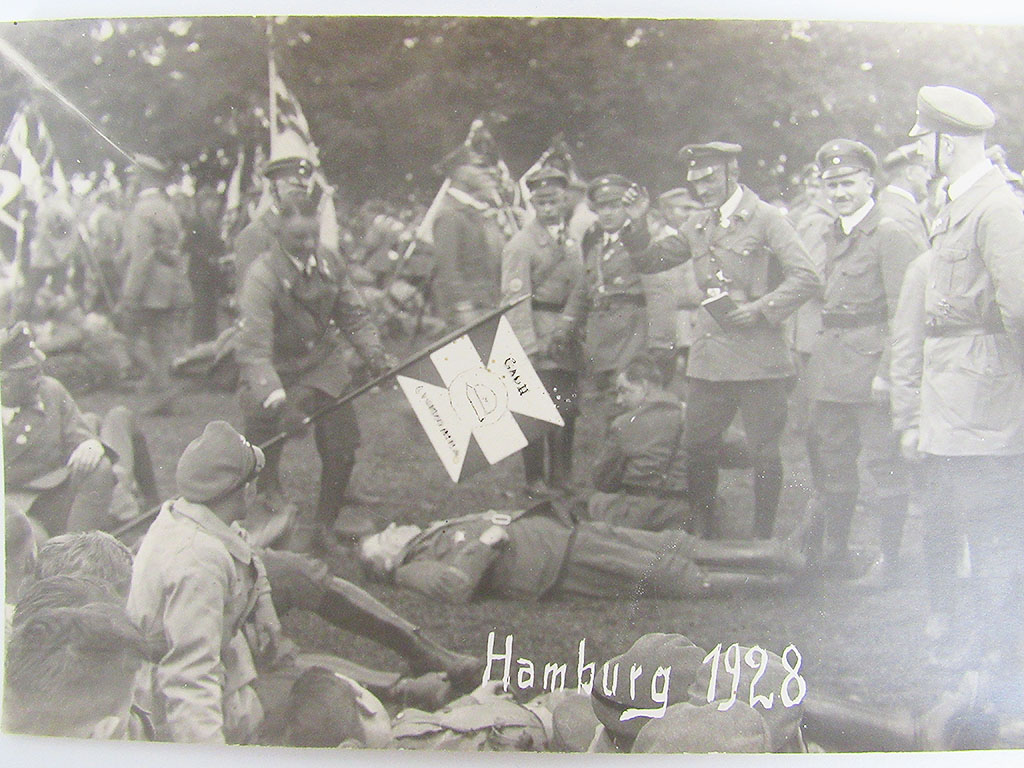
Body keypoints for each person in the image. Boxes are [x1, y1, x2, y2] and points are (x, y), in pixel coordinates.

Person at [127, 421, 479, 745]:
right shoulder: (197, 565)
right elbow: (188, 680)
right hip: (185, 702)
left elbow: (244, 548)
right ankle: (401, 691)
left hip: (221, 660)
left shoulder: (197, 515)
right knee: (330, 702)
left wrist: (263, 602)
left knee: (295, 642)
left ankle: (415, 668)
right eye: (253, 481)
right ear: (243, 490)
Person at [892, 86, 1024, 706]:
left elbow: (1019, 309)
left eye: (925, 138)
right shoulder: (957, 202)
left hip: (984, 396)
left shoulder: (996, 207)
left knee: (992, 529)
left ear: (951, 140)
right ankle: (977, 639)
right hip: (953, 393)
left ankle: (996, 652)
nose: (919, 149)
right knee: (952, 519)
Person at [626, 142, 821, 539]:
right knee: (698, 446)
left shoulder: (767, 218)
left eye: (709, 179)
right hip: (709, 357)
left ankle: (762, 536)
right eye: (695, 182)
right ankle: (704, 531)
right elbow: (651, 261)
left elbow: (807, 276)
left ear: (733, 172)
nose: (702, 189)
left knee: (764, 450)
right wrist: (636, 224)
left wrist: (761, 309)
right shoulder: (698, 222)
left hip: (759, 357)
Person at [235, 190, 391, 545]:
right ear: (278, 234)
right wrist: (280, 402)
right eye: (298, 237)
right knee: (262, 452)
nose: (308, 245)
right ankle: (268, 506)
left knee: (342, 445)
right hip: (274, 369)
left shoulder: (329, 262)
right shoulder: (262, 276)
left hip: (322, 364)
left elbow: (352, 314)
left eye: (313, 236)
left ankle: (325, 524)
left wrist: (374, 354)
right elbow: (254, 349)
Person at [801, 139, 919, 577]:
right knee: (833, 461)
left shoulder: (889, 233)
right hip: (832, 367)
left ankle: (890, 561)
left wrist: (888, 373)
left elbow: (905, 312)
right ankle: (836, 553)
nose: (839, 192)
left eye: (848, 183)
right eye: (831, 185)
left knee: (884, 463)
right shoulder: (834, 233)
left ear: (870, 181)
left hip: (871, 369)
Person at [358, 500, 805, 604]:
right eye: (384, 537)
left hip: (565, 533)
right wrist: (484, 544)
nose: (393, 527)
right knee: (668, 572)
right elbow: (454, 587)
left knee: (674, 544)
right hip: (555, 563)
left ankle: (778, 555)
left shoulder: (428, 534)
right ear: (387, 562)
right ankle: (776, 584)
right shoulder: (410, 569)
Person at [586, 355, 749, 532]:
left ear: (644, 386)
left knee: (597, 501)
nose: (619, 400)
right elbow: (744, 453)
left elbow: (603, 481)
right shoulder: (696, 418)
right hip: (686, 514)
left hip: (638, 516)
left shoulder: (623, 424)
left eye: (624, 391)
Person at [501, 166, 586, 497]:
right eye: (542, 201)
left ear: (565, 200)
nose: (549, 207)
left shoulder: (572, 240)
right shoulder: (521, 244)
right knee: (536, 409)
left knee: (567, 407)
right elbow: (514, 300)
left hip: (567, 333)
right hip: (539, 332)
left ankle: (562, 475)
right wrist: (526, 346)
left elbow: (580, 286)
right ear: (533, 203)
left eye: (555, 200)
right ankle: (535, 479)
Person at [2, 322, 117, 536]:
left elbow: (79, 434)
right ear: (3, 382)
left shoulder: (51, 390)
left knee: (99, 467)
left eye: (39, 372)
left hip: (55, 491)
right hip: (11, 503)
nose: (40, 381)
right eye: (32, 376)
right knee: (31, 538)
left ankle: (76, 548)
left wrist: (89, 444)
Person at [115, 154, 191, 406]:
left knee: (129, 334)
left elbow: (142, 256)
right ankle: (160, 383)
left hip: (149, 285)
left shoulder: (144, 209)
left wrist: (130, 293)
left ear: (144, 177)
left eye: (135, 176)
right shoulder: (167, 206)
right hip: (169, 281)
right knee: (161, 337)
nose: (132, 181)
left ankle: (158, 381)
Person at [578, 173, 651, 395]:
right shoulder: (595, 242)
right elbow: (584, 287)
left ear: (627, 208)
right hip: (599, 332)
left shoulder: (639, 238)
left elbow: (657, 290)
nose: (607, 213)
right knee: (600, 395)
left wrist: (660, 341)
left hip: (629, 331)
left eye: (614, 206)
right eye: (602, 207)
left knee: (626, 391)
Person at [430, 145, 514, 329]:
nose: (488, 172)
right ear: (459, 172)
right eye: (479, 167)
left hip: (488, 302)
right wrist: (463, 307)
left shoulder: (475, 210)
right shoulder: (449, 213)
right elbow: (448, 269)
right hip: (470, 309)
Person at [232, 152, 317, 295]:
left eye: (304, 189)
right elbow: (249, 296)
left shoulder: (309, 234)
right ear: (274, 189)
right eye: (293, 187)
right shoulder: (254, 235)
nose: (300, 195)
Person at [183, 184, 228, 343]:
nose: (215, 206)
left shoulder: (214, 223)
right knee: (201, 310)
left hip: (212, 273)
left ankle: (208, 341)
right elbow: (188, 245)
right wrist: (207, 256)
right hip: (199, 272)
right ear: (202, 204)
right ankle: (199, 342)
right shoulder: (196, 222)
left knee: (210, 310)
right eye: (211, 202)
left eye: (216, 202)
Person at [876, 143, 932, 252]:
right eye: (925, 169)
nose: (929, 177)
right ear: (909, 173)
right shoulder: (899, 212)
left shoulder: (891, 204)